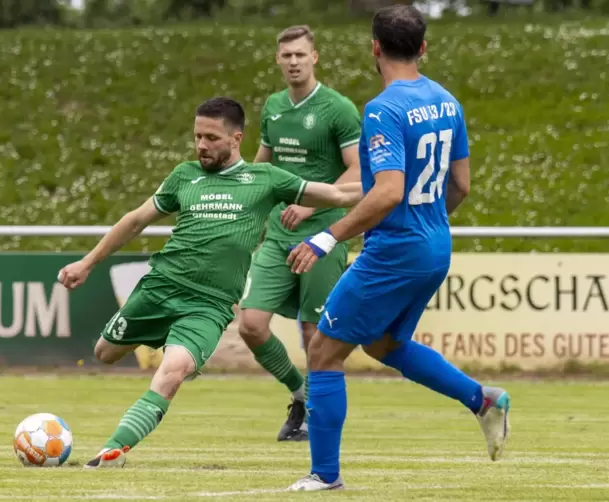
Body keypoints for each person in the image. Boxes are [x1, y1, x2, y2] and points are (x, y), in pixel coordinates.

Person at [56, 97, 364, 469]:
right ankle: (171, 344)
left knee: (173, 372)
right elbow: (136, 220)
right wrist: (88, 263)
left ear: (236, 138)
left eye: (212, 138)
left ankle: (112, 452)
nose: (202, 145)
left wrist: (393, 182)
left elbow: (337, 194)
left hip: (208, 306)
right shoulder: (185, 175)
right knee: (104, 353)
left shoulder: (264, 179)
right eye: (197, 136)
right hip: (160, 287)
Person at [284, 6, 511, 491]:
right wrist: (426, 222)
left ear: (375, 48)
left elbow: (387, 191)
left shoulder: (384, 109)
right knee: (384, 344)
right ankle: (482, 400)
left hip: (397, 248)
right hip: (435, 244)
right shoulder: (447, 101)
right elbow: (462, 185)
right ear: (423, 47)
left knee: (323, 351)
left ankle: (324, 475)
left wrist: (326, 237)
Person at [237, 25, 363, 442]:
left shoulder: (337, 109)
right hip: (278, 233)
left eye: (300, 55)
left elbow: (358, 170)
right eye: (286, 55)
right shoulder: (273, 107)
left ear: (315, 58)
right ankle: (300, 393)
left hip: (324, 233)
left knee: (314, 332)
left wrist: (311, 203)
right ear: (278, 60)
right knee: (252, 324)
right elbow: (261, 166)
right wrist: (242, 206)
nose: (293, 61)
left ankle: (314, 419)